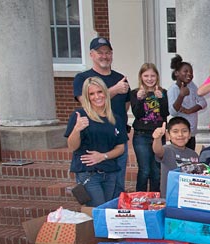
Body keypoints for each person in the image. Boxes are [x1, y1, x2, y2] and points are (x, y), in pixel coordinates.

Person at [73, 37, 130, 197]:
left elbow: (125, 106)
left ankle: (115, 219)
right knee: (96, 196)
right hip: (94, 141)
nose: (104, 56)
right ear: (91, 54)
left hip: (118, 141)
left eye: (108, 52)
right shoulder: (82, 78)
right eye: (100, 53)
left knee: (118, 186)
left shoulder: (121, 78)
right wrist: (113, 90)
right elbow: (86, 103)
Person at [65, 77, 127, 206]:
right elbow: (72, 146)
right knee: (98, 212)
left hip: (110, 173)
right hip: (88, 174)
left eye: (99, 92)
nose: (97, 97)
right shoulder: (80, 115)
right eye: (91, 94)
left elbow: (120, 147)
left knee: (106, 212)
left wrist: (103, 156)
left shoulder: (115, 118)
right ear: (87, 97)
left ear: (105, 92)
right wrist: (76, 129)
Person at [130, 63, 169, 193]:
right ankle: (139, 197)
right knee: (145, 170)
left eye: (152, 75)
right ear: (141, 77)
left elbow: (165, 113)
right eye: (146, 75)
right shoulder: (135, 93)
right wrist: (140, 99)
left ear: (157, 76)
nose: (149, 78)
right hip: (141, 135)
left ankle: (154, 198)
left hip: (158, 136)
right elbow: (138, 114)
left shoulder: (163, 92)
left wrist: (161, 99)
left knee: (156, 170)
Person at [168, 55, 206, 150]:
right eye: (185, 71)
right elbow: (173, 111)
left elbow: (203, 102)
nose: (189, 74)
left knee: (190, 158)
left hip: (191, 133)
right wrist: (181, 96)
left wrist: (189, 110)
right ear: (177, 73)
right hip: (180, 135)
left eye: (191, 72)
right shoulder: (173, 90)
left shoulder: (192, 86)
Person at [153, 117, 200, 194]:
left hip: (188, 196)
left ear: (189, 134)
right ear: (168, 135)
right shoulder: (167, 150)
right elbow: (157, 151)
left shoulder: (194, 154)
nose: (180, 135)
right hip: (169, 196)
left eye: (184, 131)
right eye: (175, 131)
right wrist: (157, 139)